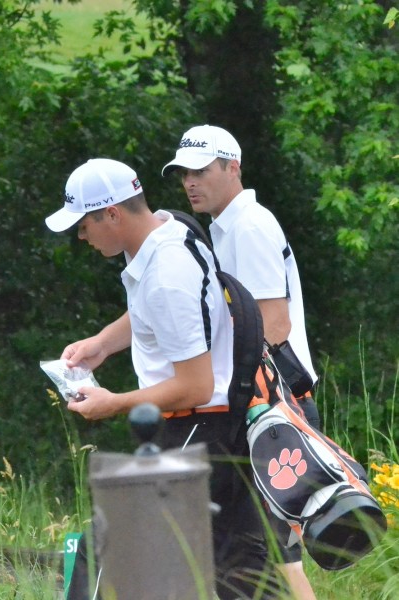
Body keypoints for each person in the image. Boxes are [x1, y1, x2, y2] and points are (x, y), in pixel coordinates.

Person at [45, 158, 288, 600]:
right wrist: (102, 342)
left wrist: (112, 401)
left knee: (104, 548)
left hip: (198, 428)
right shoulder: (169, 230)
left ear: (113, 214)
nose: (81, 236)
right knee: (240, 575)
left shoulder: (166, 275)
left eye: (83, 225)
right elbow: (152, 315)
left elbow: (194, 382)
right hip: (222, 428)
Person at [162, 125, 321, 600]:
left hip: (275, 407)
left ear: (233, 167)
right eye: (184, 173)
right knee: (271, 555)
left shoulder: (248, 226)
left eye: (202, 170)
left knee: (270, 555)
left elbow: (273, 326)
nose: (191, 181)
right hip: (265, 404)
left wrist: (224, 391)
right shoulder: (225, 224)